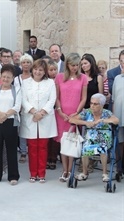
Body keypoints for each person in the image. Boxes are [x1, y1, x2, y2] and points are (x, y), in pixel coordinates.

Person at [19, 59, 57, 183]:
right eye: (35, 69)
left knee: (43, 146)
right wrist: (34, 112)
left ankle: (41, 173)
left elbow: (52, 100)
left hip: (45, 117)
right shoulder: (25, 83)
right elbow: (23, 100)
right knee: (32, 147)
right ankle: (33, 173)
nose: (38, 72)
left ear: (44, 71)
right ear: (32, 69)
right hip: (31, 117)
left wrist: (42, 113)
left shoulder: (50, 82)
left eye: (41, 70)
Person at [69, 93, 119, 182]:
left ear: (102, 105)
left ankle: (104, 173)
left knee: (102, 147)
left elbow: (116, 120)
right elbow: (72, 119)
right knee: (85, 148)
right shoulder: (87, 112)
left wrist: (103, 120)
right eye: (91, 103)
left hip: (104, 137)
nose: (92, 106)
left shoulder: (106, 113)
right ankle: (84, 173)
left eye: (95, 104)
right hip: (90, 137)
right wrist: (86, 123)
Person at [55, 53, 87, 182]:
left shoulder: (83, 78)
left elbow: (84, 97)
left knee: (72, 142)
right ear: (67, 64)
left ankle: (71, 169)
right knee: (64, 142)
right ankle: (65, 171)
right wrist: (60, 111)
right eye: (73, 65)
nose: (75, 67)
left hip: (75, 115)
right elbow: (56, 97)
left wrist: (77, 112)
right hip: (62, 114)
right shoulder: (59, 77)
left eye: (77, 65)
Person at [0, 64, 21, 185]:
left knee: (11, 149)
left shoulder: (16, 89)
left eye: (9, 77)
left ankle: (13, 176)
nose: (6, 79)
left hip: (11, 121)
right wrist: (0, 115)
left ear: (13, 78)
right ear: (0, 76)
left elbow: (17, 106)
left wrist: (5, 116)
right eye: (4, 76)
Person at [13, 53, 34, 163]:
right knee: (21, 130)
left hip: (32, 105)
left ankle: (31, 150)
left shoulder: (34, 77)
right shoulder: (17, 79)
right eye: (24, 62)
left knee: (31, 128)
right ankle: (23, 151)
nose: (26, 64)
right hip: (20, 106)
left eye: (28, 62)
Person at [112, 72, 124, 180]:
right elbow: (114, 99)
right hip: (119, 117)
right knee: (120, 143)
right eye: (122, 61)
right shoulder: (117, 78)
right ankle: (119, 169)